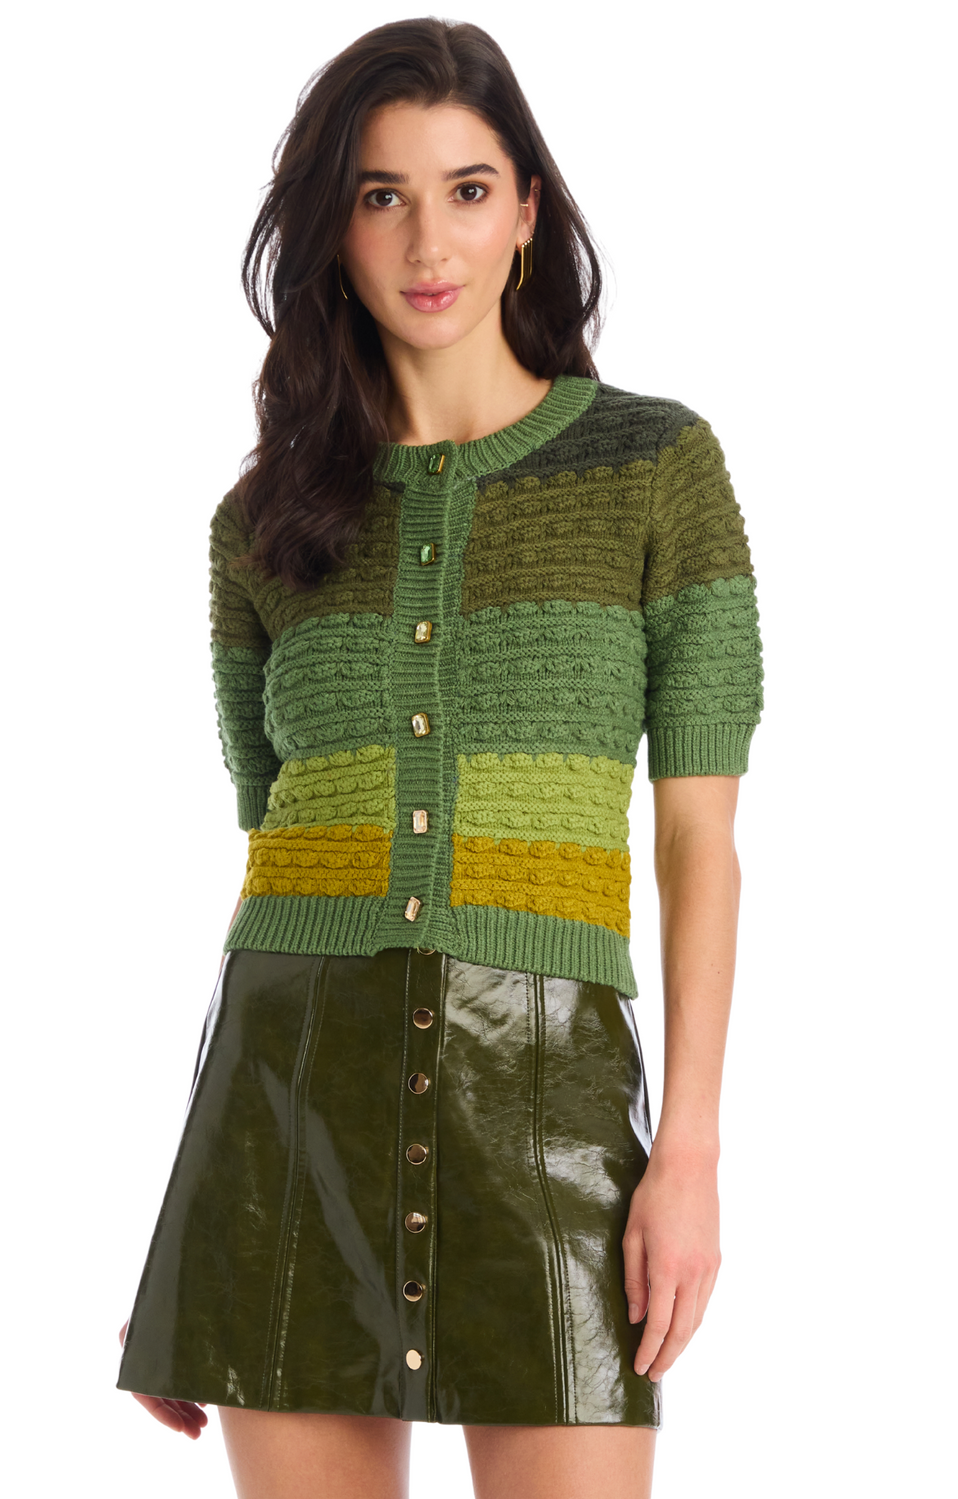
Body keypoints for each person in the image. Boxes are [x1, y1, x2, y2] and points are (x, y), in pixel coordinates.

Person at [116, 17, 763, 1499]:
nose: (429, 241)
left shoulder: (656, 468)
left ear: (527, 209)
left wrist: (691, 1152)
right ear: (331, 229)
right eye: (381, 194)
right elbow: (275, 865)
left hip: (553, 1102)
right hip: (284, 1116)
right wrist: (196, 1224)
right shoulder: (260, 526)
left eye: (467, 190)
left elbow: (698, 840)